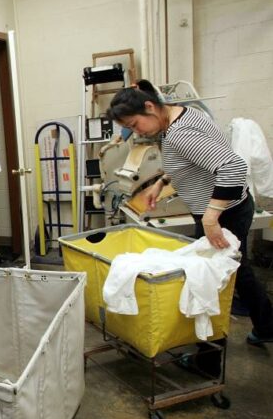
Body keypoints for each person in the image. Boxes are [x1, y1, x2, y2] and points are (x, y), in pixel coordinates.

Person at [106, 80, 273, 374]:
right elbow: (186, 160)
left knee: (212, 282)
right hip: (227, 209)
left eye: (135, 124)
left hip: (224, 213)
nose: (137, 131)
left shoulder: (179, 133)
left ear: (149, 106)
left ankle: (207, 363)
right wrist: (161, 182)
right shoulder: (180, 114)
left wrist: (210, 218)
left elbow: (233, 168)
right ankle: (266, 326)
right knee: (236, 272)